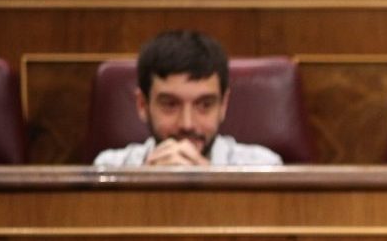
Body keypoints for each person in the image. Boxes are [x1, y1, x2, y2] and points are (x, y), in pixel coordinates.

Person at [93, 30, 282, 167]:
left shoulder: (264, 168)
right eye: (170, 104)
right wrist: (145, 188)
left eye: (205, 105)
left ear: (223, 105)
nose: (187, 124)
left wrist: (211, 187)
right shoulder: (109, 168)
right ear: (142, 105)